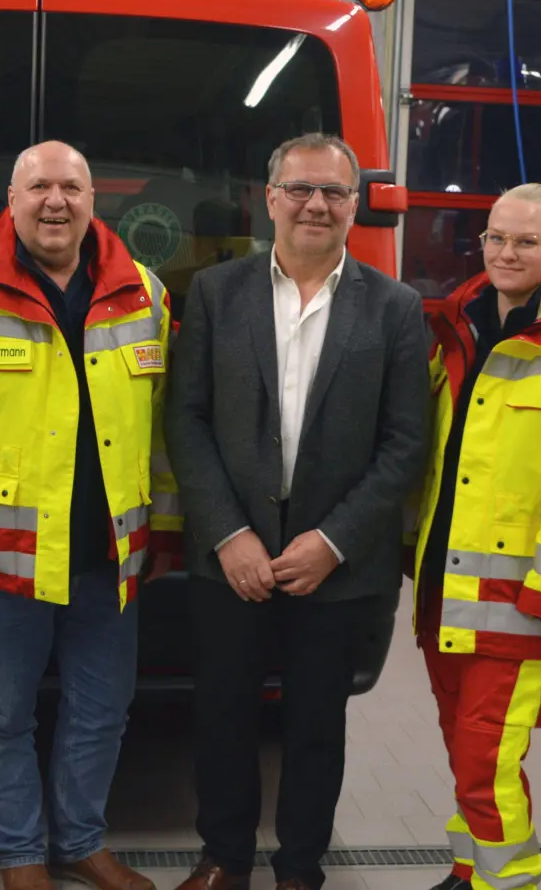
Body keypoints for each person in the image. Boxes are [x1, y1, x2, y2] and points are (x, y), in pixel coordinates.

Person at [0, 139, 181, 890]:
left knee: (103, 711)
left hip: (109, 558)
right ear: (12, 201)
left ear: (93, 200)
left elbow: (165, 428)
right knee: (0, 717)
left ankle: (81, 842)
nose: (56, 202)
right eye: (40, 187)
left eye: (71, 188)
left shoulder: (146, 294)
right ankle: (20, 857)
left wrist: (168, 528)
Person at [162, 132, 429, 890]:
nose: (317, 204)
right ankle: (224, 858)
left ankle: (301, 868)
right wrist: (227, 533)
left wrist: (333, 541)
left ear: (355, 205)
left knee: (316, 727)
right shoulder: (217, 294)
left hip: (336, 569)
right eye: (302, 189)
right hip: (232, 560)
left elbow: (406, 442)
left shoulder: (396, 308)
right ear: (271, 198)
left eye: (334, 192)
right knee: (222, 718)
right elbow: (186, 419)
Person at [409, 184, 541, 890]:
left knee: (486, 758)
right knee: (462, 746)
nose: (506, 253)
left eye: (526, 241)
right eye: (496, 238)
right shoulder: (459, 326)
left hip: (524, 597)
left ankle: (511, 878)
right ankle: (469, 870)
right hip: (447, 584)